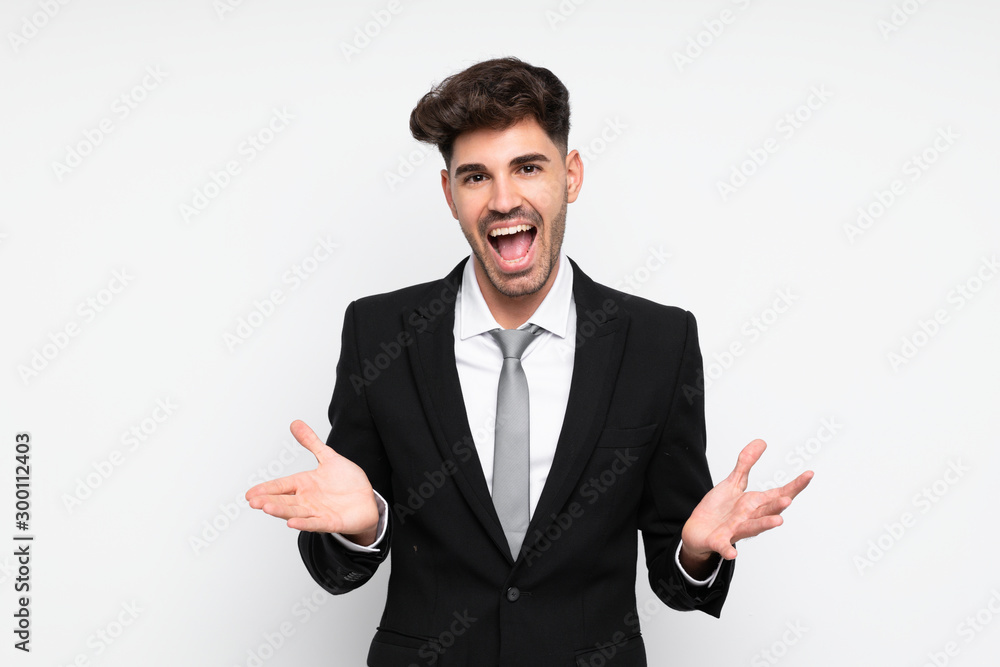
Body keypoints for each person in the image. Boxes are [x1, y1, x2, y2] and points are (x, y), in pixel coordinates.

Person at [246, 56, 812, 666]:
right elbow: (335, 570)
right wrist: (363, 526)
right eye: (476, 177)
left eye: (528, 167)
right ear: (450, 195)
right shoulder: (379, 332)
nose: (503, 199)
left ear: (571, 176)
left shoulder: (658, 341)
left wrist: (695, 551)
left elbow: (677, 582)